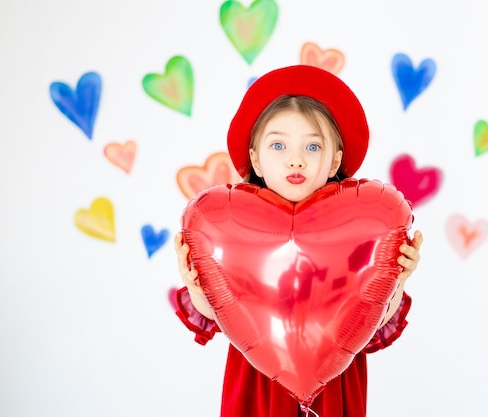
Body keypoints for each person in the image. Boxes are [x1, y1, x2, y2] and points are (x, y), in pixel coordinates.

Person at [173, 65, 424, 417]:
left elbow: (371, 318)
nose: (296, 159)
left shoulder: (360, 227)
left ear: (335, 158)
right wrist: (196, 285)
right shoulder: (231, 231)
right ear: (255, 158)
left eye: (312, 145)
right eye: (278, 144)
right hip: (259, 375)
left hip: (332, 373)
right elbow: (216, 314)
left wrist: (397, 278)